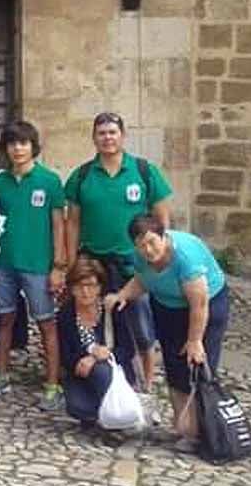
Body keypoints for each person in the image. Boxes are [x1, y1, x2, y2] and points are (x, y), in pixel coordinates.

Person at [65, 112, 173, 391]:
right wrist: (70, 259)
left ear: (122, 136)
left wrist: (159, 258)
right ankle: (103, 380)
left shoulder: (144, 171)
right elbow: (73, 221)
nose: (107, 138)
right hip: (94, 263)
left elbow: (162, 219)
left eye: (112, 132)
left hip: (134, 265)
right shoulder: (82, 176)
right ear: (94, 138)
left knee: (141, 328)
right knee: (96, 322)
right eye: (102, 133)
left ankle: (146, 387)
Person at [108, 216, 230, 453]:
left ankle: (206, 431)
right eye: (141, 245)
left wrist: (194, 340)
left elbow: (200, 303)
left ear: (163, 237)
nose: (148, 250)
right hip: (168, 307)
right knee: (175, 366)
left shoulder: (184, 258)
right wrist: (122, 294)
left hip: (206, 306)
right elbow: (142, 280)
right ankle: (184, 429)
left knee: (197, 365)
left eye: (153, 242)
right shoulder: (140, 258)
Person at [0, 120, 67, 411]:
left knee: (46, 322)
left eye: (23, 143)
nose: (18, 149)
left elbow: (59, 225)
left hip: (38, 265)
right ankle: (1, 373)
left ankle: (52, 383)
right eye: (12, 143)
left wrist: (59, 265)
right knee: (5, 319)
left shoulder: (49, 181)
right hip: (5, 263)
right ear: (5, 149)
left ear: (33, 147)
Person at [58, 256, 136, 429]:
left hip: (114, 371)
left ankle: (116, 413)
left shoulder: (112, 310)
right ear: (72, 288)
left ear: (100, 287)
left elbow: (128, 349)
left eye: (91, 286)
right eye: (80, 286)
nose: (85, 292)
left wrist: (101, 356)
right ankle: (101, 411)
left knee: (100, 370)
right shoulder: (66, 315)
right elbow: (65, 355)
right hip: (82, 375)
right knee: (78, 408)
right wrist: (83, 359)